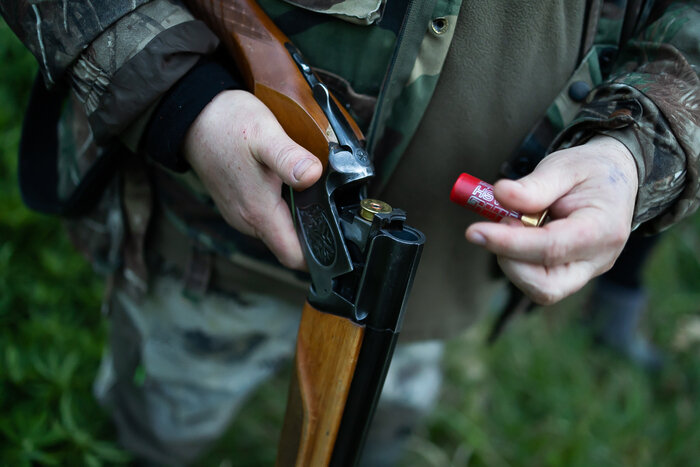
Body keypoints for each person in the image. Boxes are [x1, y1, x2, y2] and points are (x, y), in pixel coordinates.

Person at [3, 0, 698, 464]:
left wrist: (635, 151)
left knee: (381, 413)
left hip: (427, 291)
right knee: (161, 413)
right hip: (199, 249)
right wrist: (182, 102)